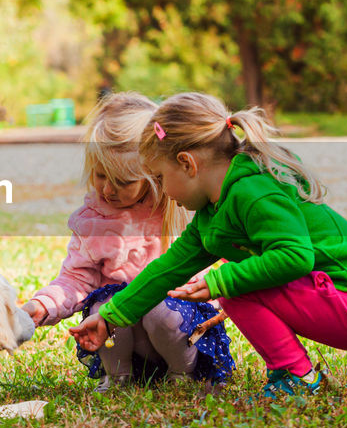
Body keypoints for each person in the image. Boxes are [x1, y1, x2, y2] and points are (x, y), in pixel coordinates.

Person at [69, 92, 347, 399]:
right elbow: (168, 269)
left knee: (233, 287)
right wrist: (110, 316)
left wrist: (219, 281)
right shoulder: (213, 213)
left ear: (187, 164)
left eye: (162, 176)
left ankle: (297, 376)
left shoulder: (255, 191)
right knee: (232, 286)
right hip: (330, 299)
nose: (164, 191)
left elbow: (296, 256)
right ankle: (294, 374)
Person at [23, 92, 234, 389]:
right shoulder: (92, 220)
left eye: (123, 182)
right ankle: (119, 377)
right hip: (129, 344)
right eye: (100, 176)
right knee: (104, 306)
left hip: (179, 333)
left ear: (153, 174)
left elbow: (202, 275)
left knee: (159, 308)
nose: (108, 189)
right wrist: (42, 305)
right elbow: (75, 280)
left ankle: (183, 376)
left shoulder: (177, 209)